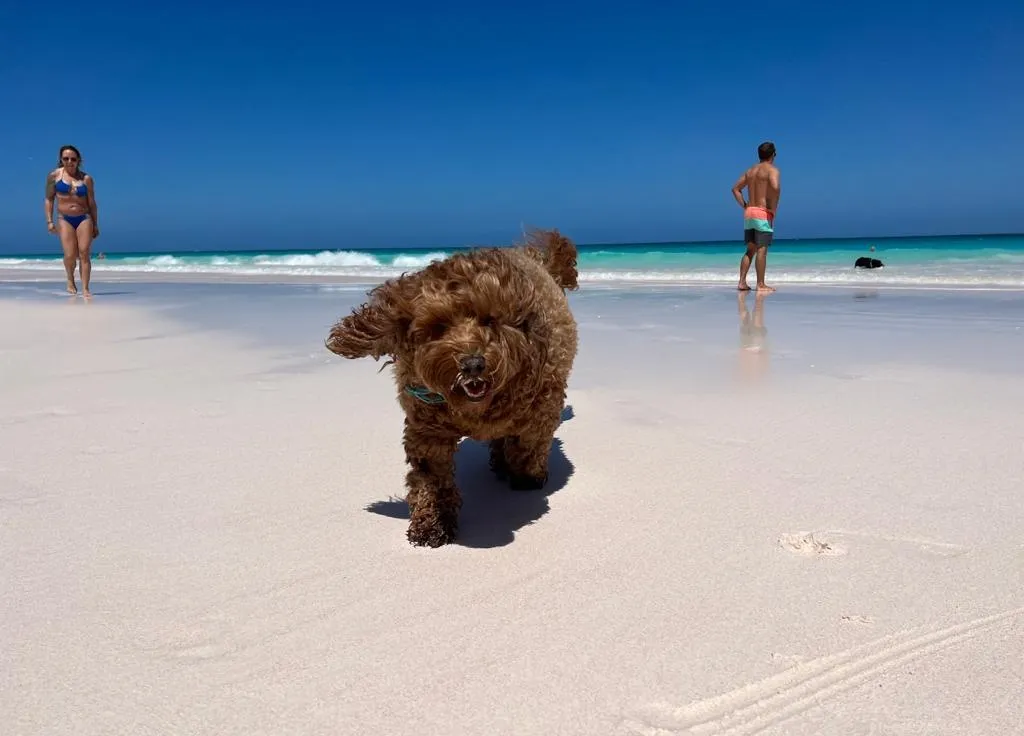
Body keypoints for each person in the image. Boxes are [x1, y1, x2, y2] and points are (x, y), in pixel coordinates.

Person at [45, 145, 100, 296]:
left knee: (84, 252)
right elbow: (49, 199)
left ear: (78, 160)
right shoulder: (54, 176)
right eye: (66, 159)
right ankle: (70, 279)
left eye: (73, 159)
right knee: (69, 254)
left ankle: (86, 288)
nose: (70, 162)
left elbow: (92, 203)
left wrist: (95, 224)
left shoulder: (86, 179)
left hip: (84, 217)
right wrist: (49, 221)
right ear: (61, 160)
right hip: (65, 218)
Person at [731, 141, 781, 292]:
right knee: (762, 250)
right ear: (773, 154)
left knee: (750, 249)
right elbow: (775, 187)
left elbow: (735, 189)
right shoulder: (772, 170)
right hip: (762, 212)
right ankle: (761, 284)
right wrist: (773, 205)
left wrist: (745, 205)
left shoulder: (750, 171)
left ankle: (741, 282)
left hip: (749, 212)